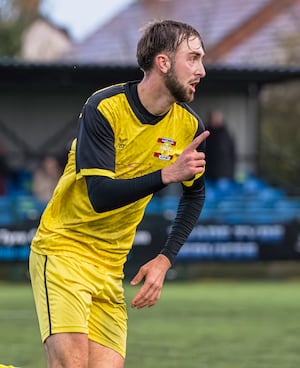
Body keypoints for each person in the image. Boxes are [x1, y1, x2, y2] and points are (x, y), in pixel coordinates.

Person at [29, 19, 209, 368]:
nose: (201, 69)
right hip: (64, 250)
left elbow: (194, 195)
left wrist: (165, 258)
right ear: (163, 62)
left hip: (111, 267)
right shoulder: (104, 107)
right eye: (194, 57)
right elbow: (100, 195)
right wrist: (167, 174)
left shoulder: (189, 125)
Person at [205, 110, 236, 180]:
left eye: (217, 118)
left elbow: (232, 153)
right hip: (208, 173)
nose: (216, 120)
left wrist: (231, 172)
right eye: (214, 118)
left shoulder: (226, 134)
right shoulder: (205, 132)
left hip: (223, 173)